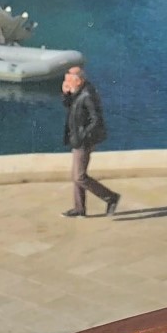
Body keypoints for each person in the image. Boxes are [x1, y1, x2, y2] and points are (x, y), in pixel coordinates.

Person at [62, 65, 119, 218]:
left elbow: (96, 119)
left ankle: (111, 197)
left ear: (79, 81)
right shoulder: (78, 92)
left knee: (79, 177)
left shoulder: (87, 95)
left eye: (69, 80)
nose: (66, 83)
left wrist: (82, 135)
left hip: (84, 141)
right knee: (76, 175)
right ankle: (79, 208)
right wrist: (66, 94)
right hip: (77, 139)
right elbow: (69, 106)